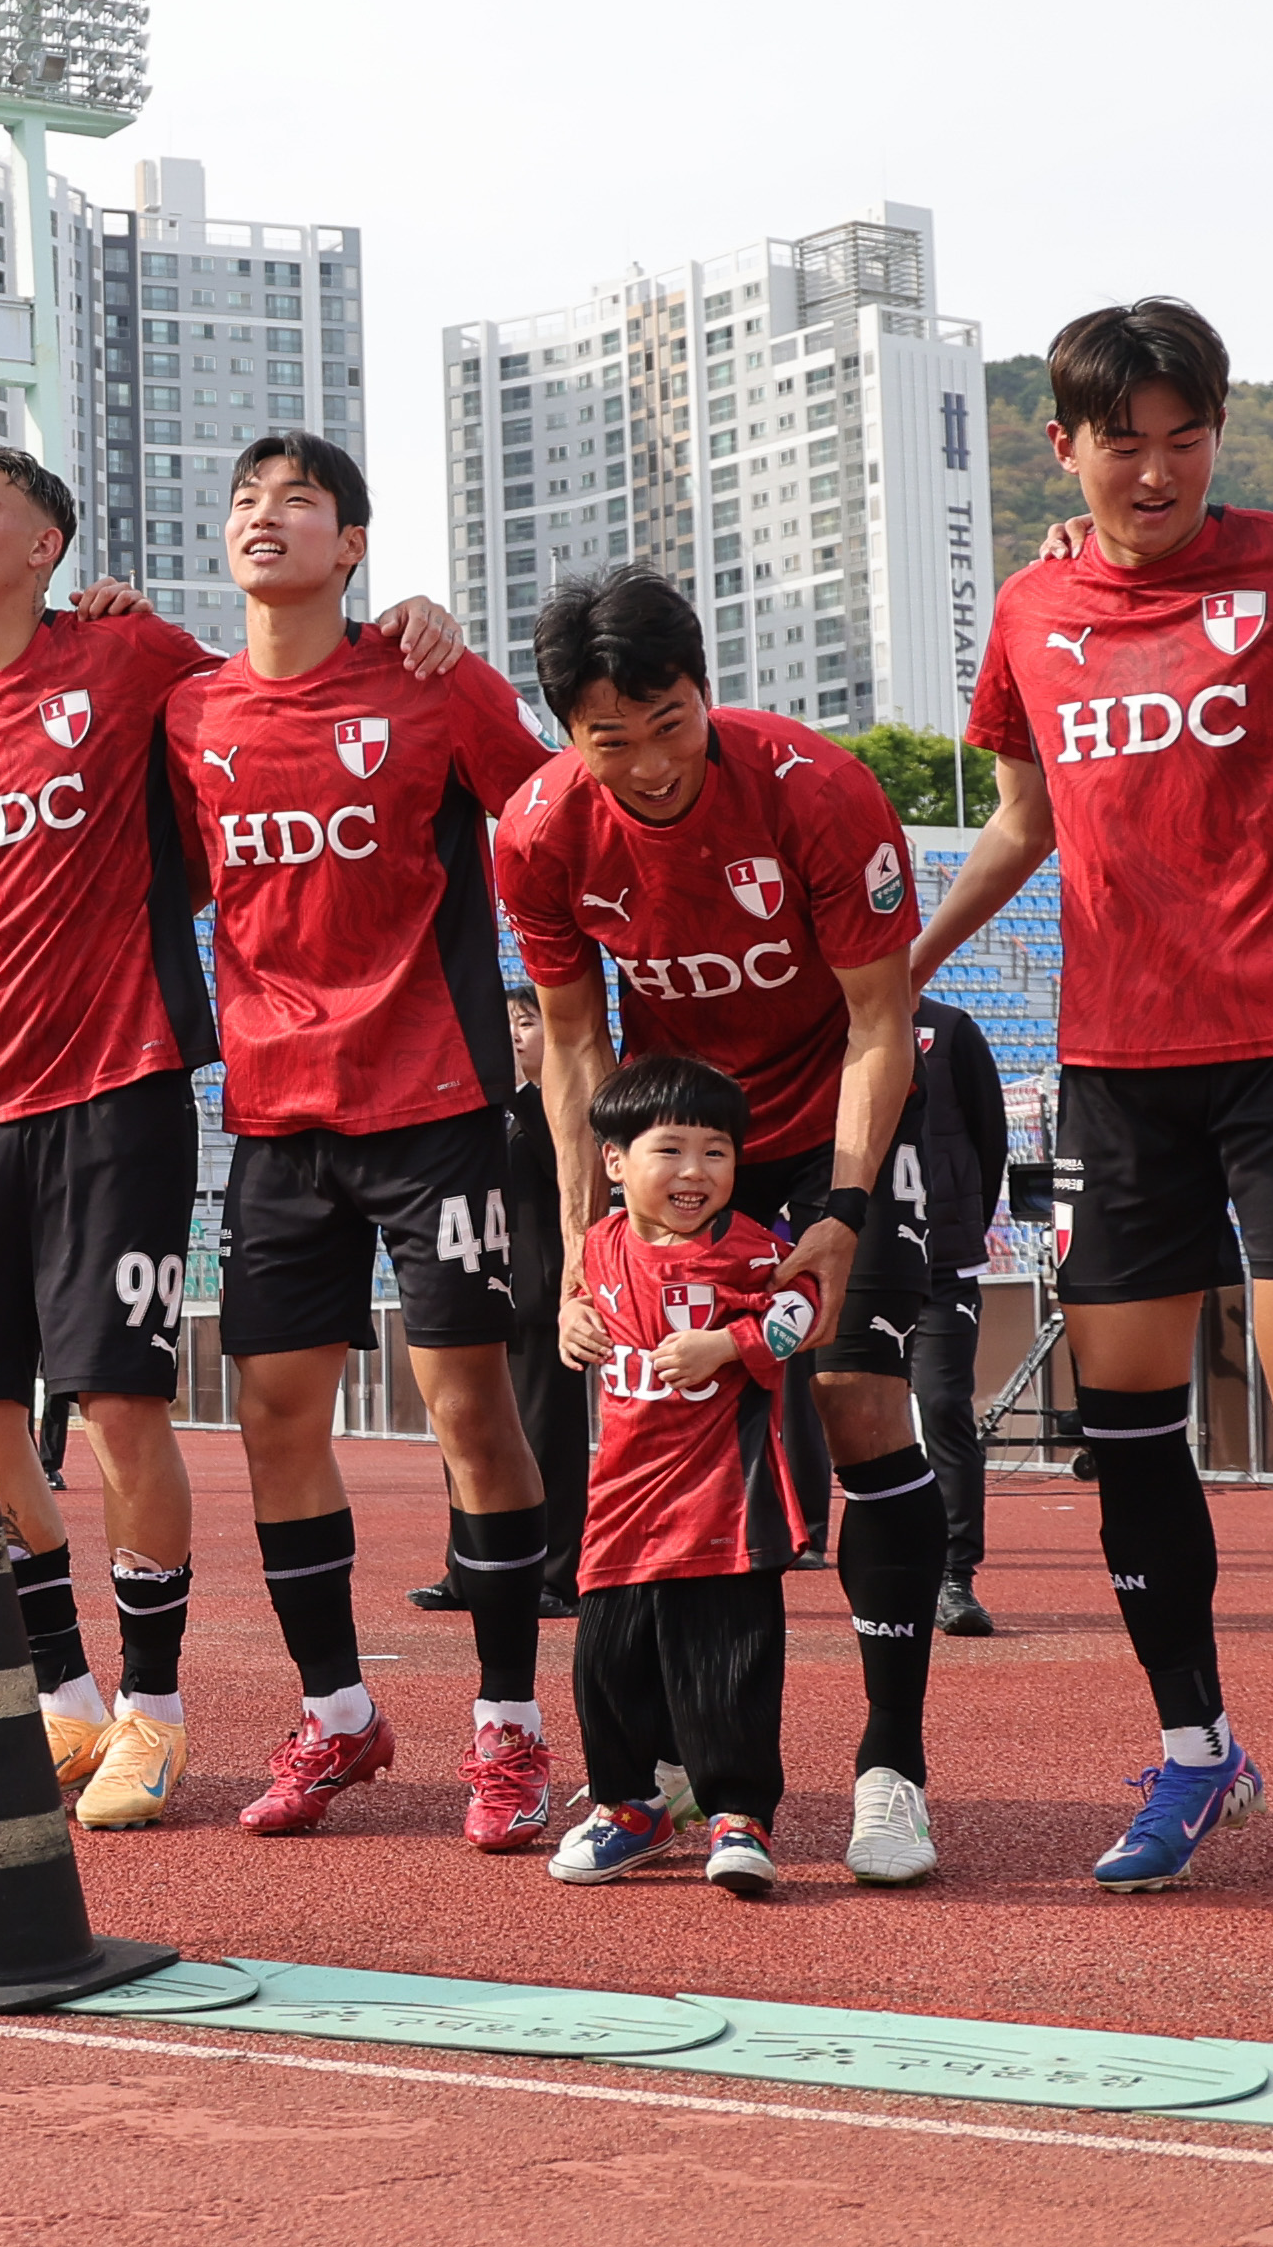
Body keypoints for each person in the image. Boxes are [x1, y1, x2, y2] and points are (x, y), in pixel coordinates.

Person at [910, 298, 1273, 1910]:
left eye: (1184, 436)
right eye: (1120, 441)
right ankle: (1195, 1747)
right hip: (1119, 1066)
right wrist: (899, 963)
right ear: (1060, 445)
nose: (1154, 469)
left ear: (1218, 433)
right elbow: (1021, 820)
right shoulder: (1030, 604)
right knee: (1125, 1415)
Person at [496, 567, 951, 1886]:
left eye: (670, 723)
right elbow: (571, 1044)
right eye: (609, 739)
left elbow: (880, 1021)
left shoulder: (817, 791)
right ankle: (661, 1774)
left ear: (706, 689)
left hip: (837, 1115)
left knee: (856, 1398)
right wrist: (584, 1249)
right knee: (660, 1429)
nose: (648, 765)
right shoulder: (536, 831)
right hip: (687, 1147)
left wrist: (844, 1209)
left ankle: (890, 1764)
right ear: (566, 735)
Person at [169, 433, 561, 1852]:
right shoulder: (189, 709)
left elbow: (548, 813)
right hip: (274, 1118)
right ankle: (336, 1711)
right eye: (244, 499)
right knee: (275, 1420)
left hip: (433, 1103)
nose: (264, 516)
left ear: (351, 544)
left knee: (470, 1409)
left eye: (299, 501)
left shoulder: (431, 679)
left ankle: (509, 1725)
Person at [0, 446, 246, 1830]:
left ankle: (155, 1708)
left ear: (45, 544)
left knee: (115, 1402)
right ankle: (69, 1695)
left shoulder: (125, 652)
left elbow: (256, 716)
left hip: (116, 1082)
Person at [543, 1051, 819, 1899]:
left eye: (715, 1151)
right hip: (620, 1509)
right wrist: (569, 1318)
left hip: (723, 1508)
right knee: (606, 1666)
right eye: (669, 1149)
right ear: (614, 1161)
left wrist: (728, 1343)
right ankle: (630, 1807)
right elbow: (579, 1302)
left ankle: (738, 1816)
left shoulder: (752, 1252)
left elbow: (804, 1308)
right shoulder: (597, 1245)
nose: (694, 1171)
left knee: (726, 1667)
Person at [896, 986, 1013, 1639]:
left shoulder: (951, 1028)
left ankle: (952, 1574)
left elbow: (990, 1141)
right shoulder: (822, 1025)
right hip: (860, 1263)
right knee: (854, 1415)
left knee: (942, 1404)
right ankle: (885, 1569)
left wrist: (959, 1226)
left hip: (942, 1265)